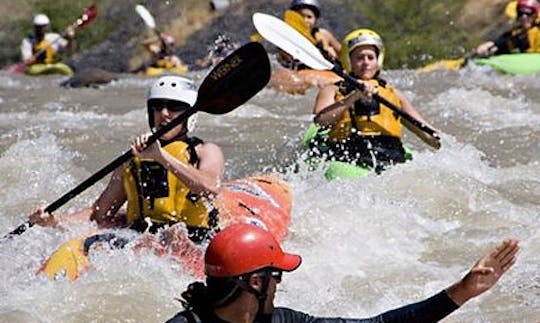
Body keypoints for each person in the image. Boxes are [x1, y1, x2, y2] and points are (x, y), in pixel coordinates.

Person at [165, 223, 519, 323]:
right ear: (256, 282)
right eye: (277, 277)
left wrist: (462, 291)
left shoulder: (285, 322)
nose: (278, 287)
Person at [28, 75, 225, 244]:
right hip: (141, 239)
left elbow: (209, 189)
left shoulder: (205, 151)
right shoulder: (132, 158)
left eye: (174, 107)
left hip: (192, 238)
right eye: (157, 107)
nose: (164, 113)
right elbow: (99, 215)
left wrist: (161, 157)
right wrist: (54, 221)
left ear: (189, 116)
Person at [309, 28, 439, 173]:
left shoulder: (393, 93)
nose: (366, 63)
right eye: (359, 58)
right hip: (350, 159)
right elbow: (321, 121)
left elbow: (423, 129)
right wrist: (353, 97)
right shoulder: (332, 90)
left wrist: (443, 142)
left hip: (390, 160)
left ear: (378, 61)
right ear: (348, 60)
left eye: (370, 58)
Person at [277, 0, 341, 69]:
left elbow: (344, 54)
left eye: (309, 17)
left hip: (323, 74)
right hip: (299, 75)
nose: (305, 20)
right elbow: (282, 62)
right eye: (300, 16)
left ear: (315, 20)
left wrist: (334, 56)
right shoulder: (286, 37)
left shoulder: (324, 35)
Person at [476, 0, 540, 56]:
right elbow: (504, 42)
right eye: (521, 13)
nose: (524, 17)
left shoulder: (536, 30)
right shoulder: (516, 32)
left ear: (535, 15)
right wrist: (492, 45)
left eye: (528, 13)